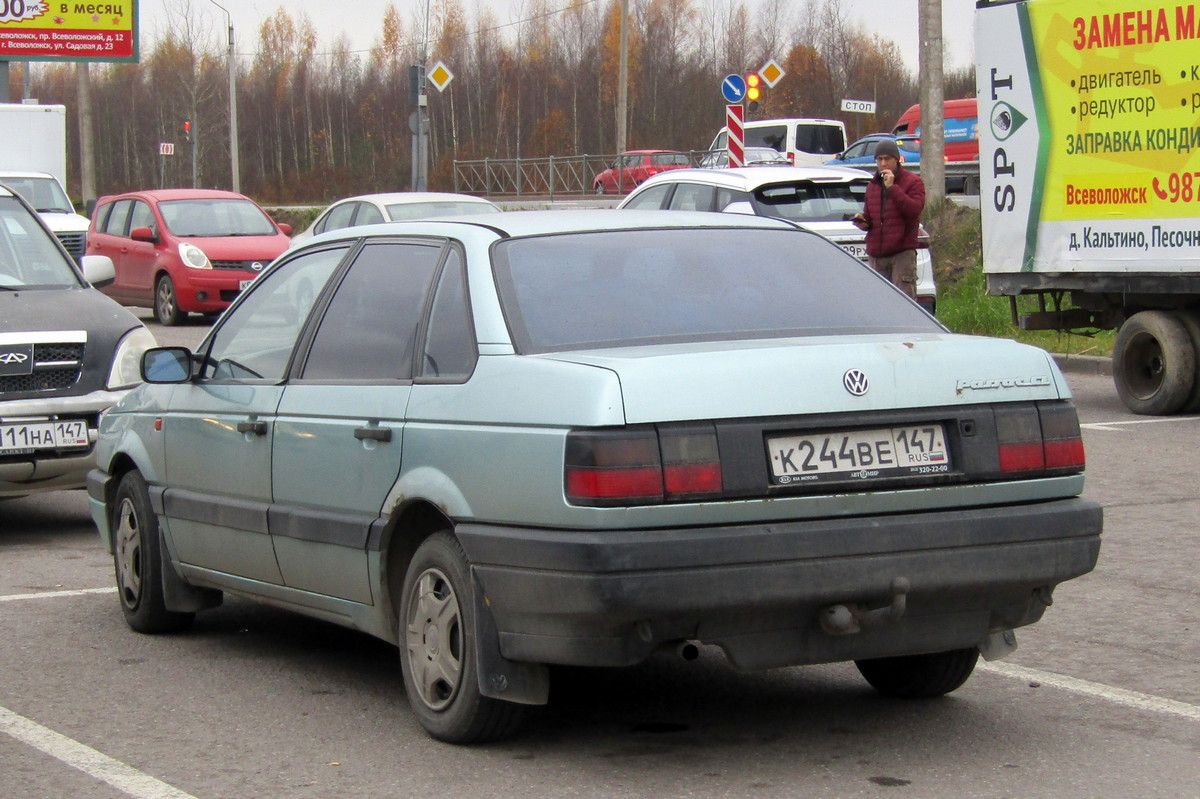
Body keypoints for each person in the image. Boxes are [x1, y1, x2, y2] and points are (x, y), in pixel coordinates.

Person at [852, 139, 926, 298]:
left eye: (887, 159)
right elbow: (871, 218)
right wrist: (863, 221)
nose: (883, 163)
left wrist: (892, 188)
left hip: (901, 254)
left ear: (897, 159)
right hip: (877, 255)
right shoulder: (873, 185)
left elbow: (913, 210)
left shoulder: (913, 182)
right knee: (880, 302)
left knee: (904, 301)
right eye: (880, 159)